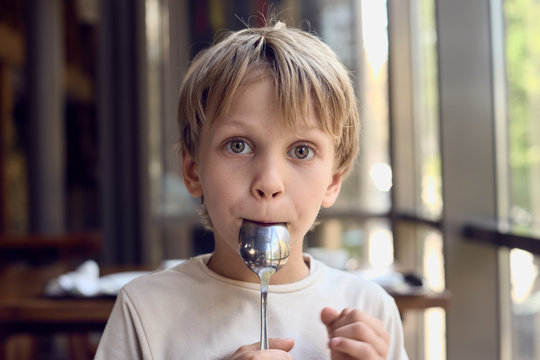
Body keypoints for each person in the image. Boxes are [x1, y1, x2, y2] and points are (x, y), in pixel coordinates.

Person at [95, 20, 408, 360]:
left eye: (301, 151)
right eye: (239, 146)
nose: (269, 183)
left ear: (333, 182)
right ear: (192, 170)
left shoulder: (371, 310)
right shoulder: (145, 311)